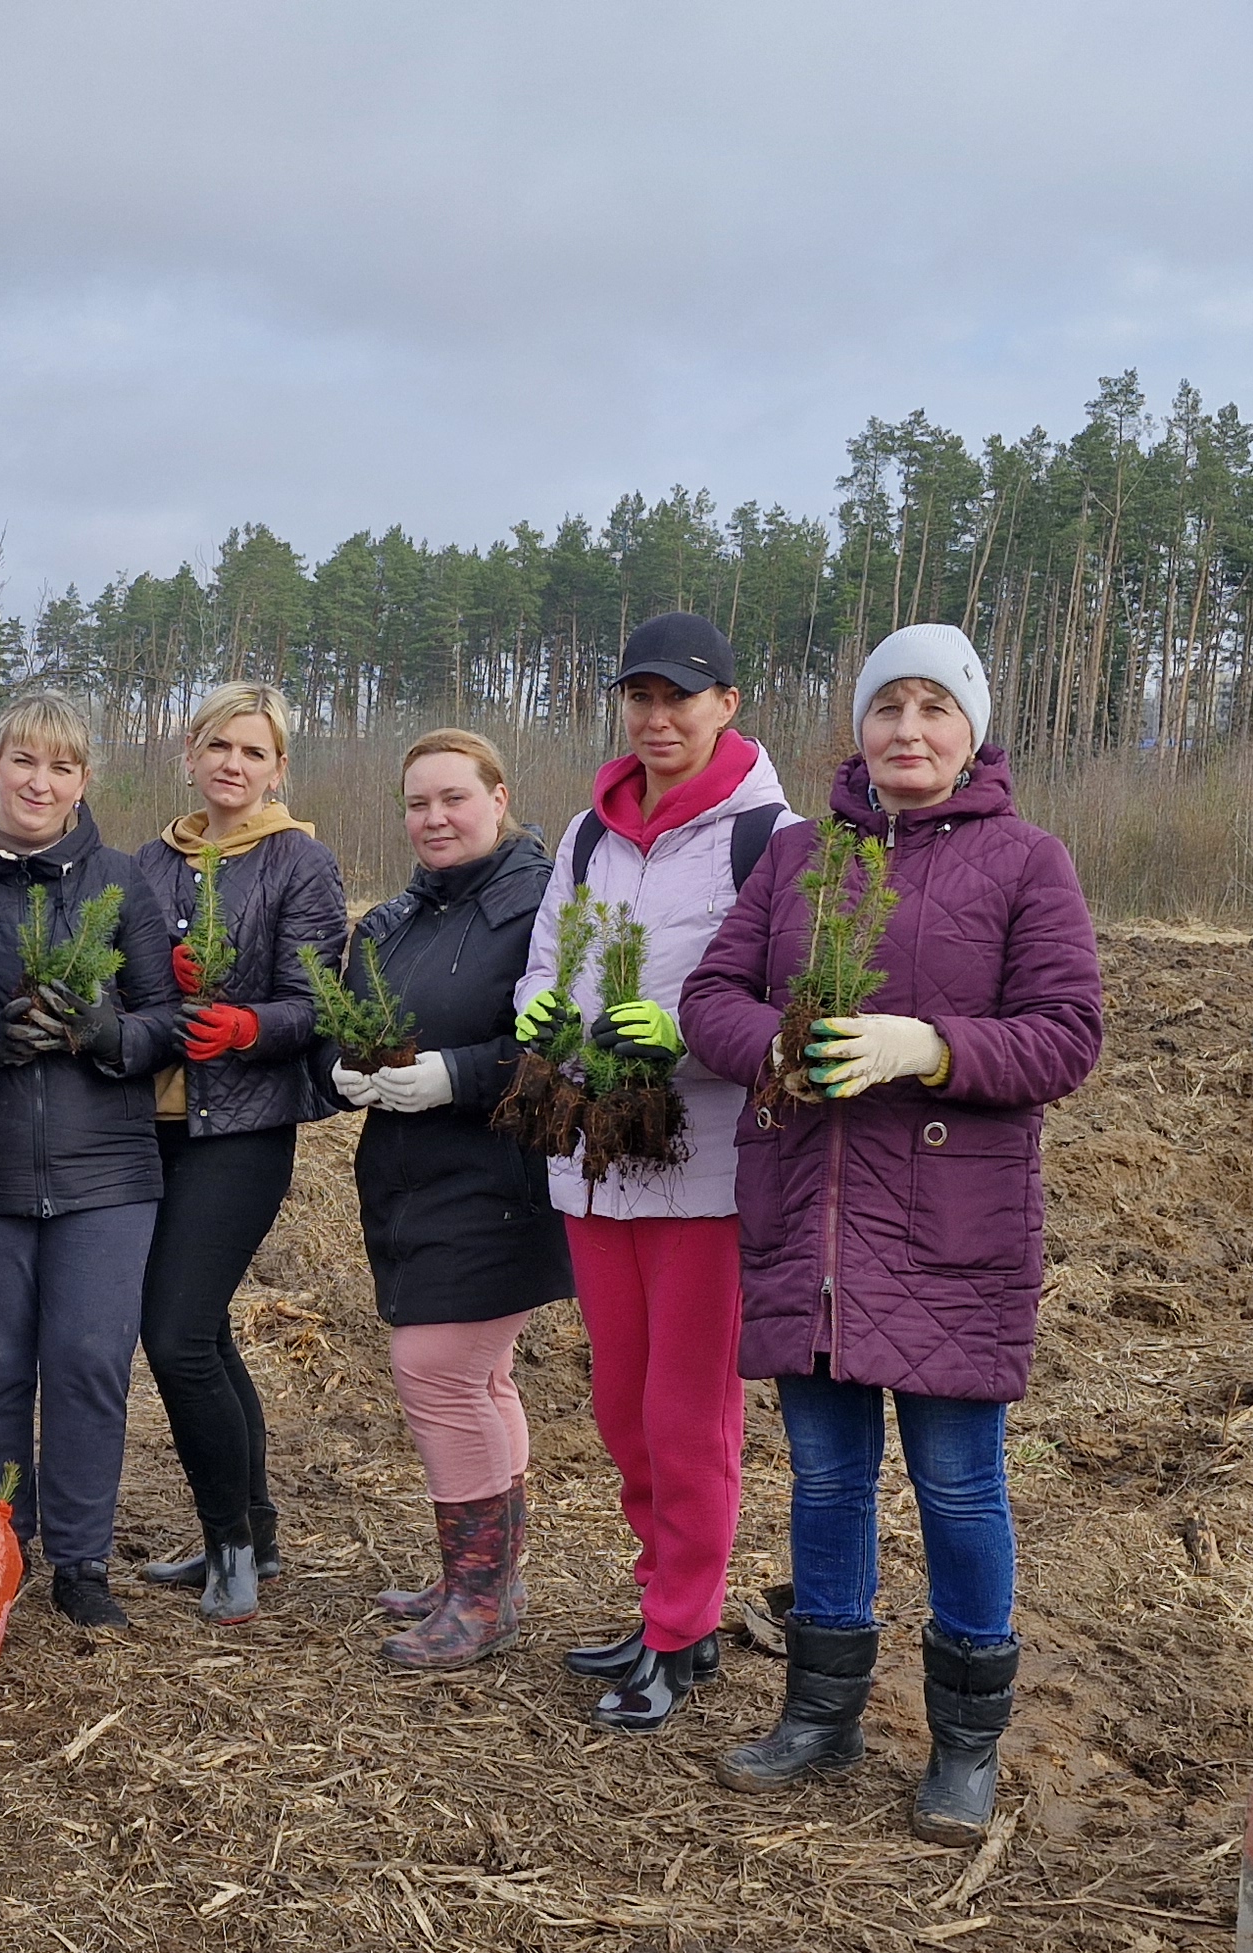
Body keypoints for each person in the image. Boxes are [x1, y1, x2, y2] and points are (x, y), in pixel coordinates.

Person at [682, 625, 1103, 1834]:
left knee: (958, 1485)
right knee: (825, 1478)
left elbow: (1067, 1033)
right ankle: (821, 1714)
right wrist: (777, 1044)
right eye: (886, 707)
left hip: (948, 1226)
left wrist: (929, 1046)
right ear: (858, 727)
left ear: (972, 731)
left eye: (933, 707)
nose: (907, 729)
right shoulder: (798, 855)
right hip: (807, 1222)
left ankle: (965, 1746)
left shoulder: (1026, 860)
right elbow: (710, 997)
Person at [511, 611, 797, 1728]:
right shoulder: (588, 834)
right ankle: (662, 1602)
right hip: (595, 1154)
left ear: (728, 703)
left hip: (706, 1166)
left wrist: (685, 1033)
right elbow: (546, 956)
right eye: (640, 695)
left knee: (687, 1413)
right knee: (621, 1406)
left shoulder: (770, 838)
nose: (657, 716)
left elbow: (784, 1002)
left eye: (681, 695)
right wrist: (537, 1014)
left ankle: (683, 1629)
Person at [328, 730, 572, 1668]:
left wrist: (457, 1075)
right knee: (480, 1379)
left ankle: (479, 1595)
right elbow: (347, 1021)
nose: (434, 819)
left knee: (436, 1370)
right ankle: (486, 1577)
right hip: (406, 1177)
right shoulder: (395, 920)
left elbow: (563, 1044)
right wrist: (343, 1070)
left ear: (499, 798)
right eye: (418, 804)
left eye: (454, 799)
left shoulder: (543, 905)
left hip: (501, 1178)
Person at [0, 690, 184, 1631]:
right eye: (24, 761)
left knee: (87, 1362)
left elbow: (168, 1021)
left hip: (106, 1174)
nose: (40, 783)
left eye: (63, 766)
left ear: (84, 781)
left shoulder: (120, 881)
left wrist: (110, 1033)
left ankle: (81, 1561)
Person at [127, 683, 349, 1623]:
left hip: (244, 1127)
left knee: (176, 1336)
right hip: (155, 1126)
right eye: (219, 746)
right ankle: (253, 1530)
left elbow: (316, 999)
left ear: (278, 767)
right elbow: (125, 985)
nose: (233, 764)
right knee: (205, 1331)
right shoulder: (149, 862)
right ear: (190, 753)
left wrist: (249, 1024)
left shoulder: (301, 861)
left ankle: (229, 1549)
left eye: (254, 752)